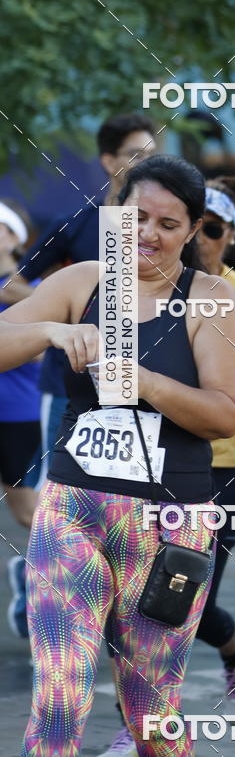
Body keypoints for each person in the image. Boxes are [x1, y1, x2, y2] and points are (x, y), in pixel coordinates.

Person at [0, 155, 235, 757]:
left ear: (192, 230)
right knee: (59, 700)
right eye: (137, 217)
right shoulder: (83, 281)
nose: (148, 234)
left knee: (150, 711)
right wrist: (51, 333)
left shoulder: (210, 298)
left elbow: (224, 413)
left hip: (169, 526)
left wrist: (142, 381)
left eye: (169, 223)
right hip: (72, 510)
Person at [100, 163, 235, 757]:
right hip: (136, 472)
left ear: (220, 232)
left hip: (216, 479)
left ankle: (229, 656)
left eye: (216, 229)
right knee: (126, 608)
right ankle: (140, 723)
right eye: (203, 228)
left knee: (172, 610)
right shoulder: (135, 286)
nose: (206, 239)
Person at [1, 115, 157, 638]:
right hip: (62, 386)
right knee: (52, 495)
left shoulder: (157, 231)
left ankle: (93, 597)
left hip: (136, 390)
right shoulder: (79, 223)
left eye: (152, 153)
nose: (145, 164)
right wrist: (65, 315)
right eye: (135, 154)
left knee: (117, 502)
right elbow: (15, 285)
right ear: (109, 163)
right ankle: (48, 594)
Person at [0, 201, 42, 637]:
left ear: (14, 237)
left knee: (29, 514)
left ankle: (45, 585)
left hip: (18, 414)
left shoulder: (37, 288)